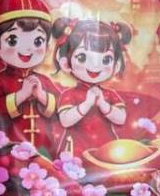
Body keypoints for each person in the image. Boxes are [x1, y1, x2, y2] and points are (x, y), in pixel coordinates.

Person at [0, 0, 59, 154]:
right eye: (13, 40)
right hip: (7, 150)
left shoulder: (44, 81)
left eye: (37, 41)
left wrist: (41, 96)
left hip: (45, 148)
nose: (27, 48)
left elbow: (61, 109)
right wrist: (21, 95)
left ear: (47, 48)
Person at [53, 16, 133, 155]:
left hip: (107, 149)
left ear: (116, 66)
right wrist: (87, 104)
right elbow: (65, 121)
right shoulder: (69, 94)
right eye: (82, 57)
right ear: (65, 63)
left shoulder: (109, 94)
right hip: (76, 149)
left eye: (106, 59)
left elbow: (121, 119)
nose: (95, 66)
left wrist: (103, 104)